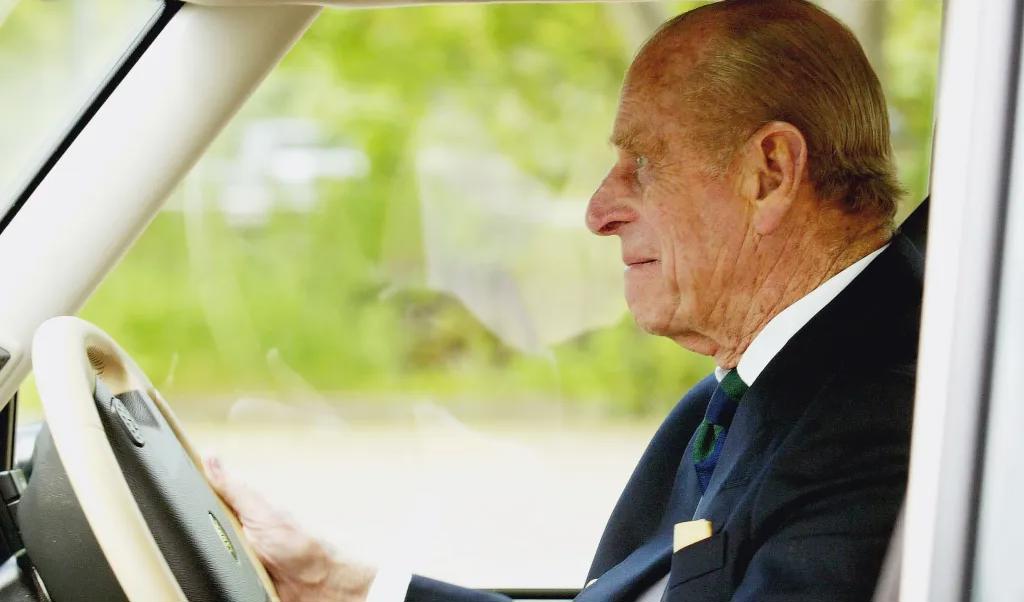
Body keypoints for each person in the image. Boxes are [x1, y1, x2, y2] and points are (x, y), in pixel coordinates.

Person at [205, 0, 922, 600]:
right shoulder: (751, 398)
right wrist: (335, 582)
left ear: (769, 172)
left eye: (642, 163)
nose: (599, 210)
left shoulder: (883, 422)